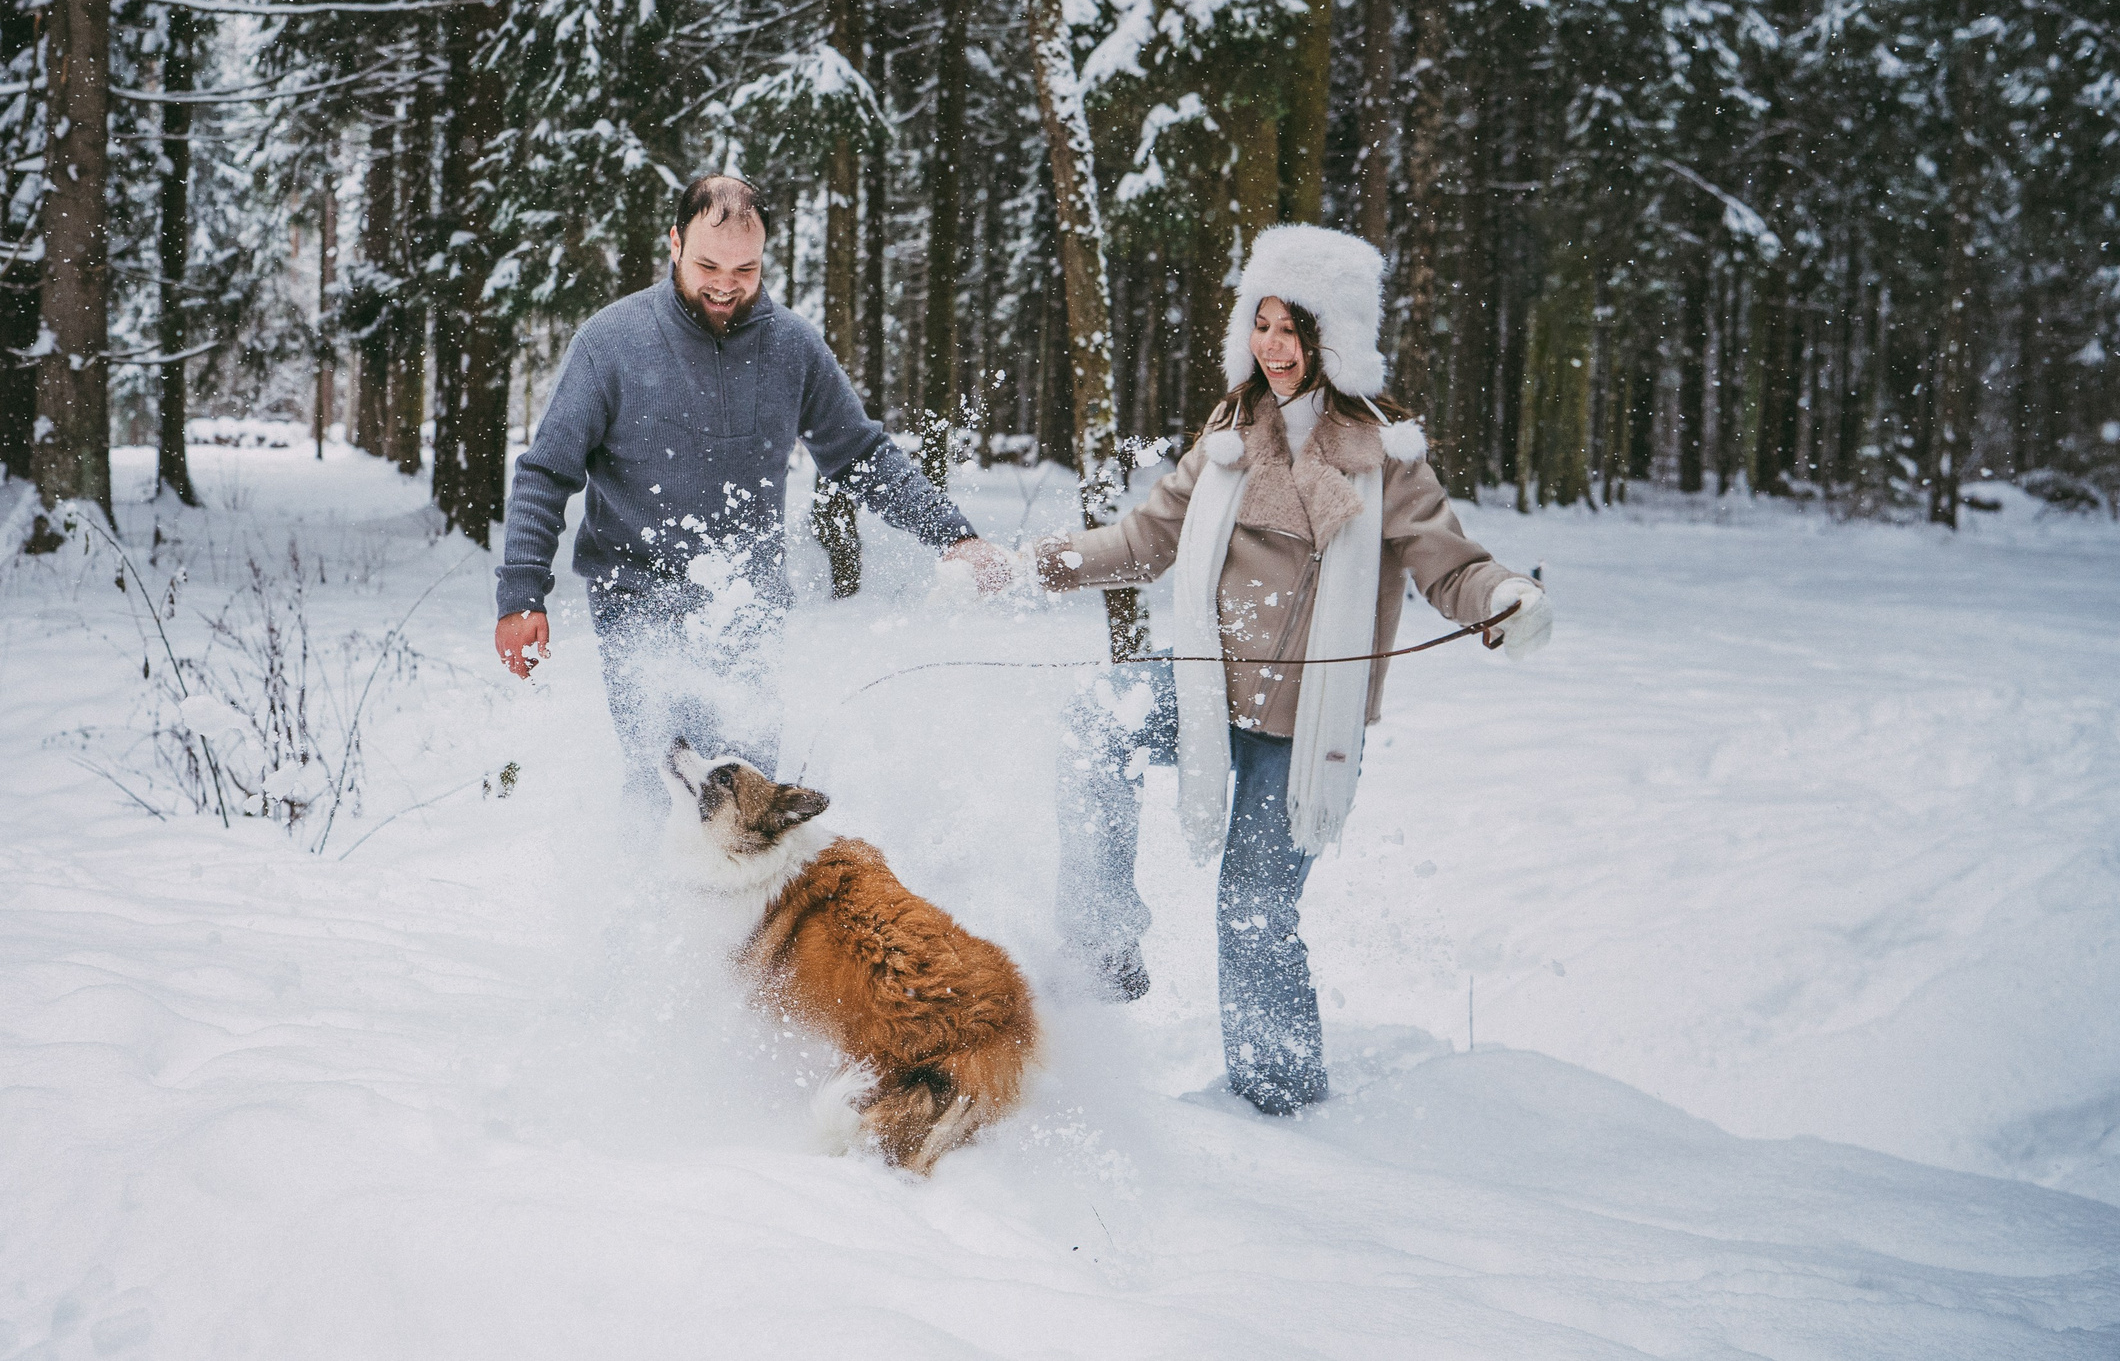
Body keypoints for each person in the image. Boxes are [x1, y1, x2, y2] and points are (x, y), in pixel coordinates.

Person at [1032, 223, 1550, 1116]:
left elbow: (1446, 564)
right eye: (1260, 324)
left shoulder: (1389, 458)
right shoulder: (1231, 433)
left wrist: (1501, 600)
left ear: (1331, 341)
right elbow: (1145, 541)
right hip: (1203, 687)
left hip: (1303, 730)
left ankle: (1281, 1108)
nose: (1271, 345)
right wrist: (1038, 563)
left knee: (1253, 913)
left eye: (1291, 327)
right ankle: (1103, 941)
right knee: (1095, 717)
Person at [495, 173, 1011, 815]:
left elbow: (861, 453)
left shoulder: (791, 347)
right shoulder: (610, 344)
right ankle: (648, 907)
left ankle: (749, 917)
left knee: (750, 798)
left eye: (746, 267)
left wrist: (952, 532)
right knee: (668, 785)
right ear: (675, 244)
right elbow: (547, 472)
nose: (725, 283)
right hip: (638, 599)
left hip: (747, 599)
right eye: (709, 263)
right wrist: (521, 591)